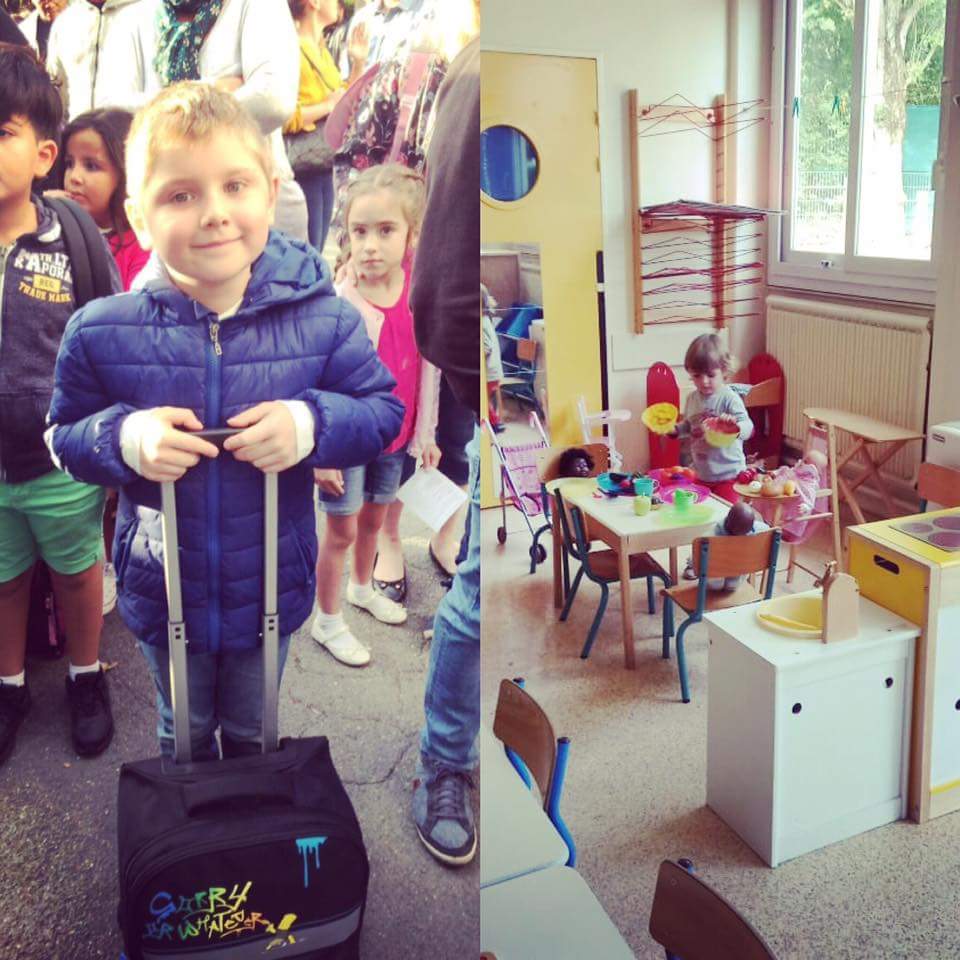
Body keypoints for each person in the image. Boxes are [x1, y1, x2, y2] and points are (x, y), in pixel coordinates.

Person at [46, 82, 403, 760]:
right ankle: (189, 817)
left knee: (251, 732)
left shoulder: (325, 321)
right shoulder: (100, 331)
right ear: (139, 216)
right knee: (181, 732)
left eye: (235, 186)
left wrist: (308, 424)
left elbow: (382, 411)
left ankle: (247, 812)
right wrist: (126, 438)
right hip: (164, 589)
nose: (214, 214)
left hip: (268, 585)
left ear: (269, 191)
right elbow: (65, 436)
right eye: (181, 195)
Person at [0, 42, 120, 767]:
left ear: (43, 155)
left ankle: (84, 675)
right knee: (4, 581)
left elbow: (111, 336)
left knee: (78, 574)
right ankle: (9, 686)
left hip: (59, 463)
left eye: (1, 132)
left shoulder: (70, 239)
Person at [313, 162, 439, 666]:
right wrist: (321, 453)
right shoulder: (340, 303)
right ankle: (327, 619)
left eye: (385, 231)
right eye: (360, 231)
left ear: (411, 235)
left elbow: (428, 370)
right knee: (340, 532)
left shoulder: (417, 294)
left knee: (375, 521)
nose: (369, 245)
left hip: (397, 437)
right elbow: (318, 379)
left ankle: (362, 588)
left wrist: (426, 434)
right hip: (347, 443)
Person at [408, 34, 479, 866]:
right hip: (484, 383)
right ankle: (445, 761)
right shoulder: (479, 66)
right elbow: (442, 288)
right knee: (475, 595)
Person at [123, 0, 309, 243]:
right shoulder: (136, 14)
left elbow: (272, 101)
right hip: (173, 209)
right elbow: (115, 110)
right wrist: (214, 89)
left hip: (255, 209)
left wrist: (160, 113)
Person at [285, 0, 368, 253]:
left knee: (317, 249)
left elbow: (343, 99)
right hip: (304, 165)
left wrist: (358, 64)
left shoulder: (319, 49)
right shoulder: (292, 49)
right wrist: (326, 106)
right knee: (309, 251)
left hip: (323, 163)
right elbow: (284, 116)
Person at [669, 333, 753, 578]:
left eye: (710, 375)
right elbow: (689, 425)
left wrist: (735, 427)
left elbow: (748, 426)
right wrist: (676, 430)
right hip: (702, 474)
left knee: (728, 523)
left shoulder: (728, 398)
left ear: (724, 371)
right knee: (700, 523)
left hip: (729, 475)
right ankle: (697, 561)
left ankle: (730, 565)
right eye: (697, 376)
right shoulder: (692, 399)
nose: (704, 381)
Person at [51, 108, 149, 289]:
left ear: (126, 173)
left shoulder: (143, 244)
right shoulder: (55, 226)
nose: (74, 177)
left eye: (91, 166)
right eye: (69, 164)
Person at [45, 0, 143, 120]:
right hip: (78, 128)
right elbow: (57, 93)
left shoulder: (149, 14)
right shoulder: (65, 22)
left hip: (133, 128)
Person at [705, 501, 769, 592]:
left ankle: (725, 582)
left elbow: (698, 554)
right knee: (722, 582)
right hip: (733, 571)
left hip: (725, 571)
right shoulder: (763, 530)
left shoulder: (711, 535)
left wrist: (692, 565)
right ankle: (730, 582)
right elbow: (769, 532)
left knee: (716, 582)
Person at [481, 283, 503, 432]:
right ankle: (495, 423)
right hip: (493, 371)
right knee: (485, 400)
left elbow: (486, 347)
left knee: (483, 400)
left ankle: (494, 424)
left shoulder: (482, 323)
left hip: (489, 372)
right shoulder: (486, 320)